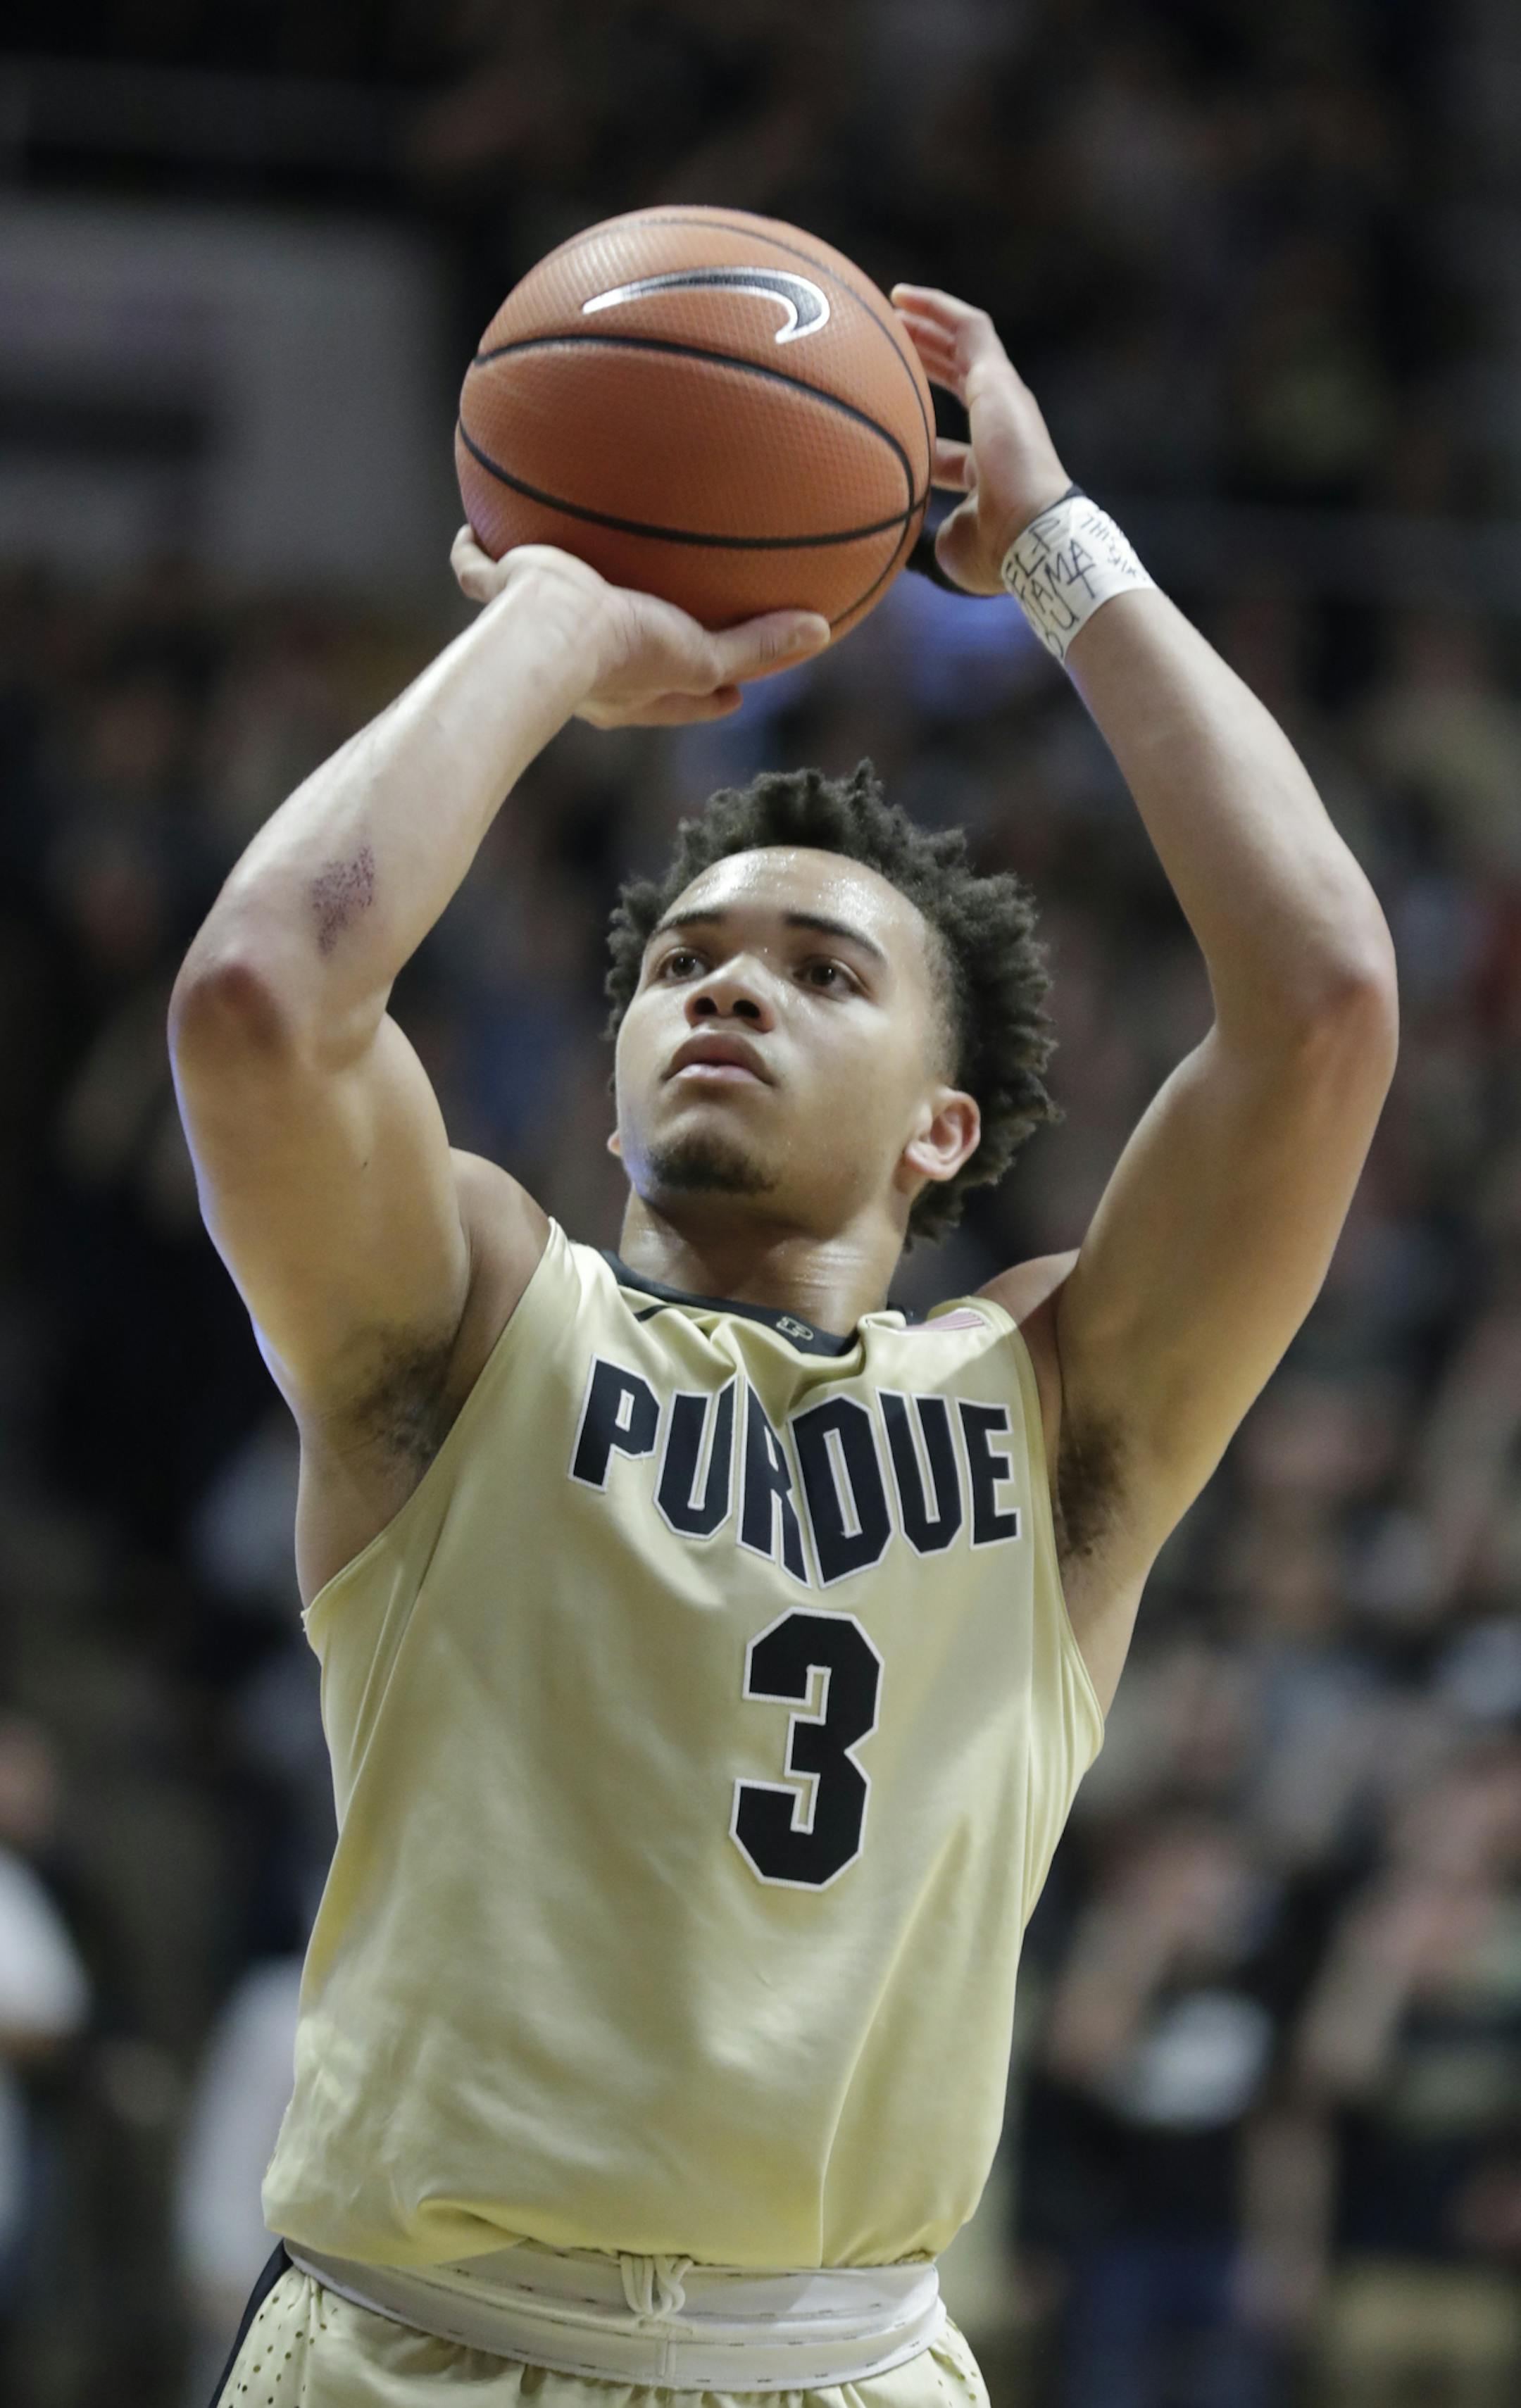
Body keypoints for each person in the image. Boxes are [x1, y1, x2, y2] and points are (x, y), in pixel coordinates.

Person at [168, 284, 1398, 2407]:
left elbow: (1323, 1005)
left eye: (823, 968)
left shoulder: (1055, 1413)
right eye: (684, 960)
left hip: (847, 2361)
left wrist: (1053, 543)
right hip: (418, 2351)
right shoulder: (470, 1320)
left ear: (948, 1126)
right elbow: (264, 1000)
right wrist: (554, 621)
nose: (726, 989)